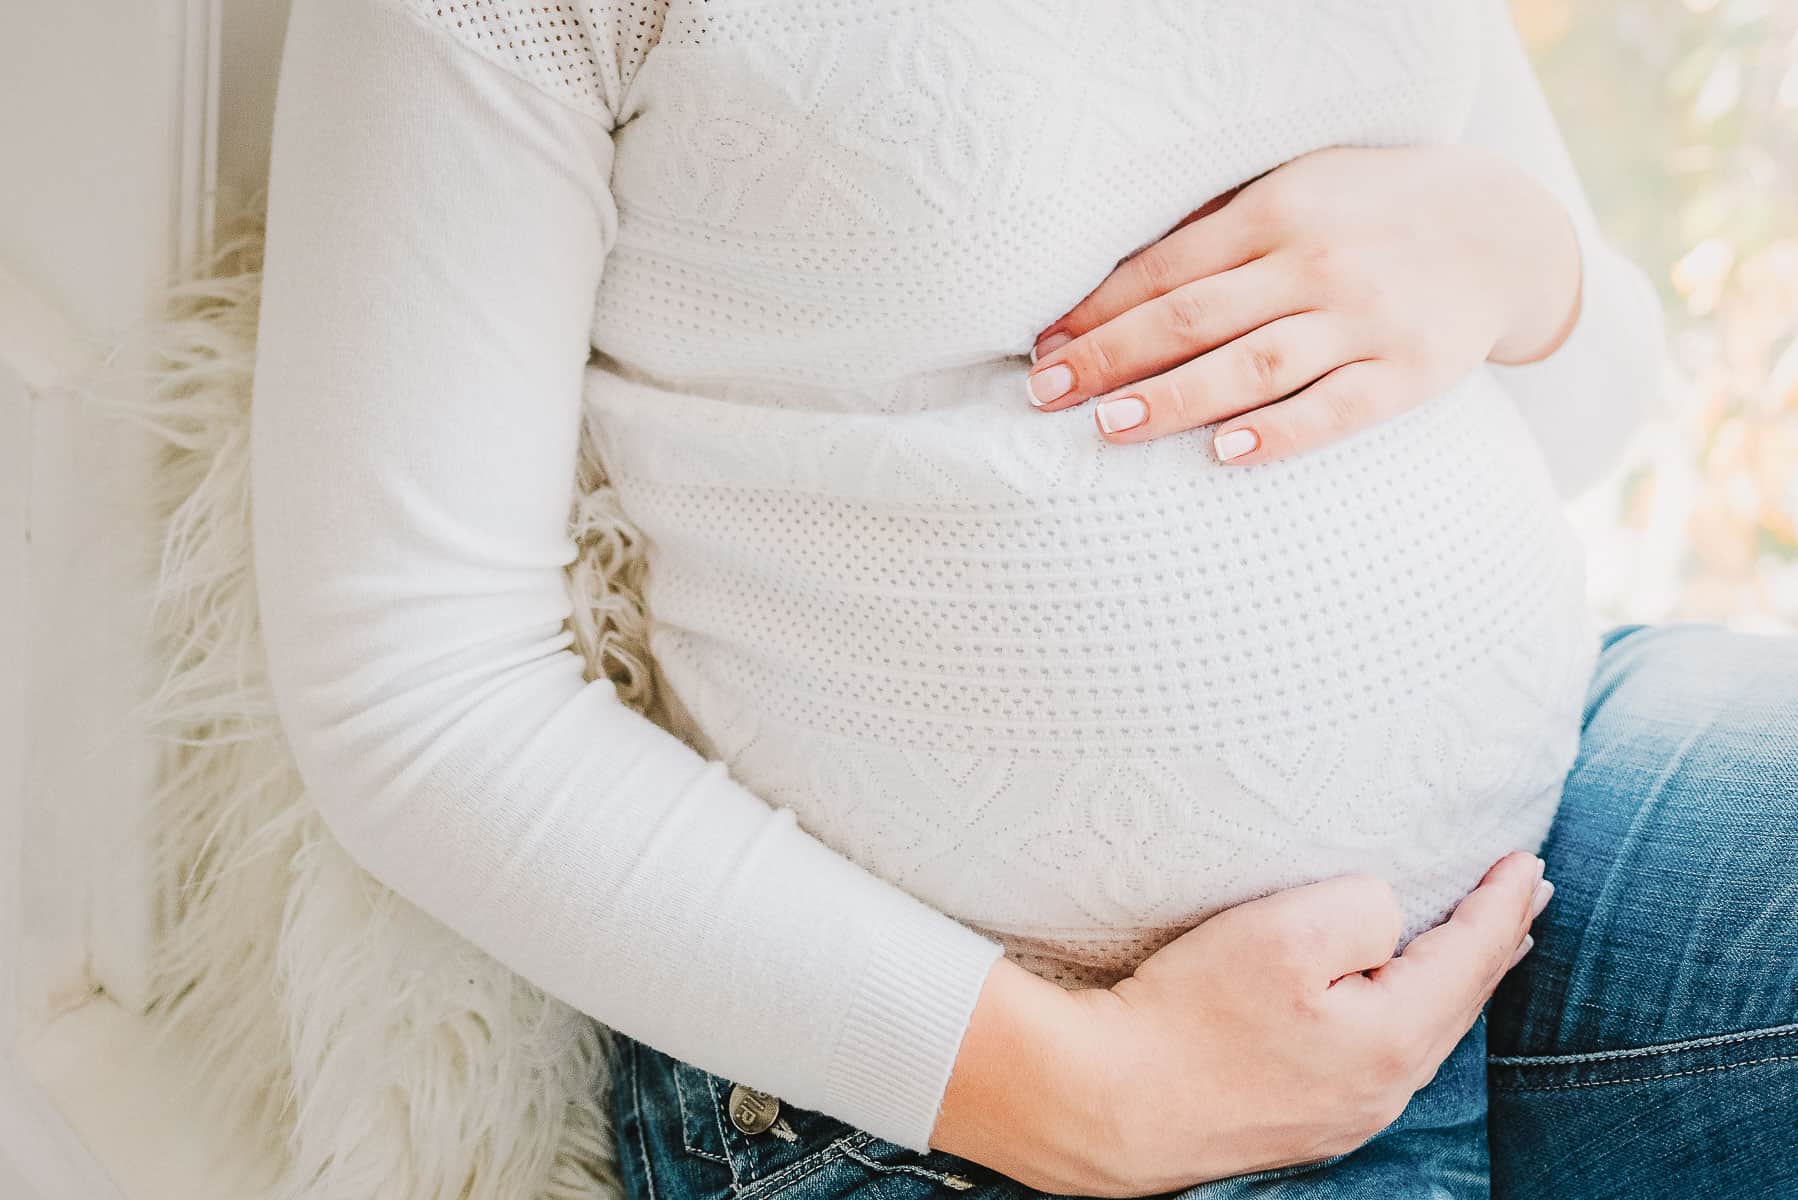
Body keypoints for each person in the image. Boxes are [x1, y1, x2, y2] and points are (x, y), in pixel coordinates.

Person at [248, 1, 1798, 1196]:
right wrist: (1086, 1094)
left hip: (1537, 849)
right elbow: (415, 691)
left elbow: (1582, 414)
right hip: (969, 1084)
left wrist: (1520, 258)